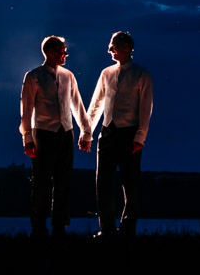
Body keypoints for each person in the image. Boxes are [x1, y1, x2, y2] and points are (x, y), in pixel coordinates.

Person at [19, 35, 91, 237]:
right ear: (50, 52)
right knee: (41, 183)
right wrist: (27, 138)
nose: (65, 54)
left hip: (65, 134)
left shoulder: (68, 76)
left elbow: (77, 104)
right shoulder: (33, 76)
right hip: (43, 133)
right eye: (62, 51)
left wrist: (86, 131)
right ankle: (38, 228)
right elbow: (26, 109)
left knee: (63, 182)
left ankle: (60, 227)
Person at [85, 30, 154, 237]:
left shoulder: (142, 74)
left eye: (113, 45)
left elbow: (145, 107)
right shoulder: (106, 73)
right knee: (103, 181)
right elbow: (96, 104)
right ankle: (106, 229)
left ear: (126, 47)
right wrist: (87, 132)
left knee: (130, 183)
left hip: (130, 134)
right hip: (107, 133)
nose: (109, 49)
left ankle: (127, 229)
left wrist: (140, 137)